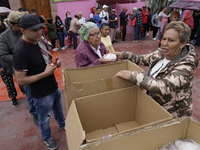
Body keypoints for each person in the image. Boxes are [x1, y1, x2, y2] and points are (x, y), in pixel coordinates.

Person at [113, 21, 198, 118]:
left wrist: (133, 75)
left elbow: (163, 86)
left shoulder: (186, 64)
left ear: (183, 43)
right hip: (157, 106)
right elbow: (143, 59)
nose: (164, 43)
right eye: (163, 39)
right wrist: (122, 54)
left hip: (173, 114)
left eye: (171, 40)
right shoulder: (161, 53)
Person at [13, 14, 65, 150]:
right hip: (41, 93)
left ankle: (62, 124)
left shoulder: (40, 40)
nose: (39, 32)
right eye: (34, 30)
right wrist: (45, 73)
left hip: (53, 85)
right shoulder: (20, 51)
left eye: (40, 28)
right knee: (44, 118)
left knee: (59, 109)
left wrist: (54, 64)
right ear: (23, 30)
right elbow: (21, 80)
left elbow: (45, 62)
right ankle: (47, 138)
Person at [0, 11, 25, 107]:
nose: (21, 28)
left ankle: (26, 95)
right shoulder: (4, 36)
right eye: (18, 25)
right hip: (5, 64)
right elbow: (2, 55)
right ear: (11, 24)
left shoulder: (23, 32)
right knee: (9, 83)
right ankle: (13, 98)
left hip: (18, 65)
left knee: (22, 83)